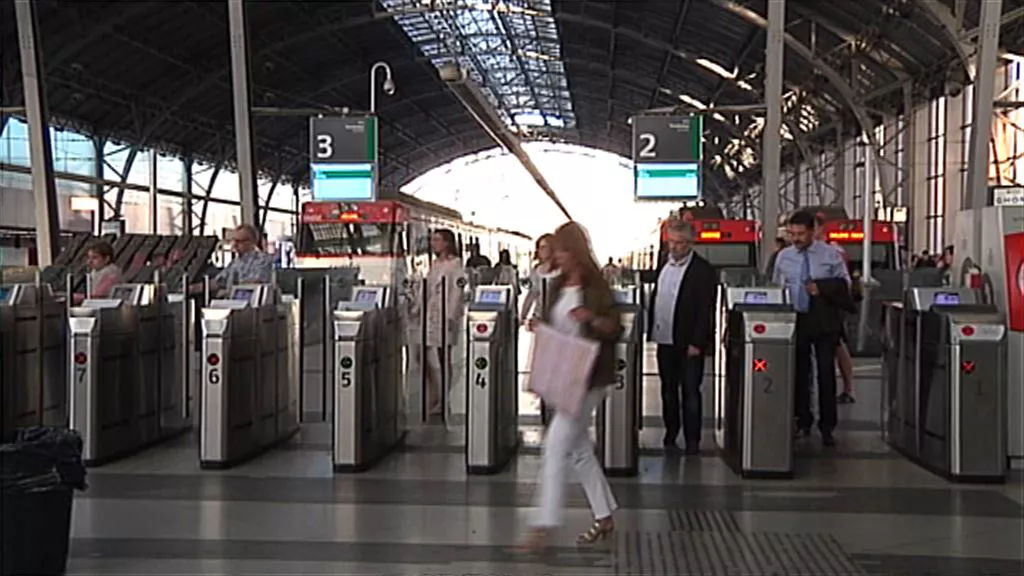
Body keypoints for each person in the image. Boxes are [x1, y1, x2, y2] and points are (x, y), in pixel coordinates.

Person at [516, 221, 620, 552]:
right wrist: (540, 326)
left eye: (561, 250)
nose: (556, 256)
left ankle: (543, 525)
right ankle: (604, 516)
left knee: (555, 445)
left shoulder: (597, 287)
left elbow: (614, 327)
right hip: (565, 375)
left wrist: (591, 318)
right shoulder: (558, 285)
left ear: (574, 251)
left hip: (588, 377)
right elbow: (556, 327)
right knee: (578, 449)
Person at [773, 210, 851, 447]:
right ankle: (802, 418)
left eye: (800, 234)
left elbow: (845, 284)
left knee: (825, 372)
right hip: (796, 318)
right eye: (792, 234)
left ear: (812, 231)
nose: (796, 238)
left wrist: (823, 288)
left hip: (823, 319)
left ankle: (827, 425)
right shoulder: (783, 257)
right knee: (798, 371)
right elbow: (776, 286)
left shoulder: (831, 255)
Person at [647, 219, 716, 454]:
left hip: (688, 342)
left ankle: (692, 439)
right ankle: (671, 432)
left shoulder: (702, 270)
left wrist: (698, 342)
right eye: (671, 242)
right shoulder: (663, 264)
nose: (674, 247)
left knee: (690, 391)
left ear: (690, 243)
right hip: (664, 338)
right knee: (668, 389)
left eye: (680, 243)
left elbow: (704, 309)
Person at [424, 228, 466, 416]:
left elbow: (457, 291)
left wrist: (451, 315)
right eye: (433, 240)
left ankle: (443, 398)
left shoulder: (455, 264)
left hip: (446, 316)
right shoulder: (434, 264)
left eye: (437, 240)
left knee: (443, 356)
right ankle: (436, 394)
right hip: (432, 314)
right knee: (428, 355)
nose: (433, 244)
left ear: (447, 243)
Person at [189, 224, 274, 296]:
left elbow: (256, 282)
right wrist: (190, 289)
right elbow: (218, 282)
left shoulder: (263, 260)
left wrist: (229, 291)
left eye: (239, 241)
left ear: (252, 242)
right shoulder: (235, 262)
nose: (234, 245)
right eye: (233, 240)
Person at [520, 233, 558, 323]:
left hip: (556, 318)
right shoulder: (536, 271)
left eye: (544, 247)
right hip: (539, 317)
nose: (541, 251)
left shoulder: (560, 270)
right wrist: (523, 316)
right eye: (539, 247)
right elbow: (531, 294)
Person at [74, 240, 122, 305]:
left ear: (107, 259)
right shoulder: (94, 273)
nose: (89, 261)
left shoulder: (111, 275)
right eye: (88, 257)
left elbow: (98, 296)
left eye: (94, 258)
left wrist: (76, 297)